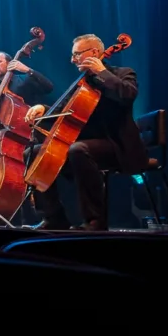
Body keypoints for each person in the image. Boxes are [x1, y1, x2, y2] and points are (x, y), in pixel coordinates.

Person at [24, 34, 147, 231]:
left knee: (78, 150)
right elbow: (61, 111)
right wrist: (42, 108)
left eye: (76, 54)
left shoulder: (123, 73)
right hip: (83, 146)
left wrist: (103, 73)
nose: (72, 60)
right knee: (33, 151)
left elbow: (128, 95)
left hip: (117, 145)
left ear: (94, 53)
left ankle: (95, 220)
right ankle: (53, 217)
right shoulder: (83, 84)